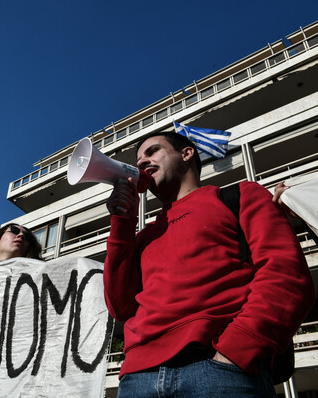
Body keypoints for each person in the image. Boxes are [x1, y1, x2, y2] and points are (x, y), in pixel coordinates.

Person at [103, 131, 314, 397]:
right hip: (138, 379)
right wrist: (122, 224)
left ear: (187, 153)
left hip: (220, 369)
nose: (141, 162)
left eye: (152, 151)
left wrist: (237, 350)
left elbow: (285, 274)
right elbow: (120, 307)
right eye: (138, 159)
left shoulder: (240, 196)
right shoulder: (142, 236)